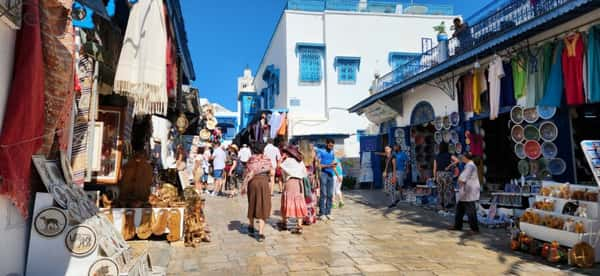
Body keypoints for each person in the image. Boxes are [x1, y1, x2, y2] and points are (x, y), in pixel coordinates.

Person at [241, 143, 274, 242]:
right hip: (263, 182)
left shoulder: (251, 160)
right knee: (263, 204)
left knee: (252, 203)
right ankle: (260, 233)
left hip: (253, 182)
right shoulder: (267, 159)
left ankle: (251, 225)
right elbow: (272, 172)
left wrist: (244, 185)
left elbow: (247, 173)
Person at [279, 145, 308, 234]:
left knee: (286, 201)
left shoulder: (288, 161)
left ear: (288, 153)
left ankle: (285, 223)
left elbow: (279, 166)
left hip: (290, 182)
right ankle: (299, 226)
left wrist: (281, 158)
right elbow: (304, 174)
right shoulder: (300, 162)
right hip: (299, 183)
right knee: (298, 202)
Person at [449, 153, 480, 234]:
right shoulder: (469, 165)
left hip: (469, 191)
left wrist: (459, 181)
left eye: (463, 157)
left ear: (466, 158)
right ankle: (457, 225)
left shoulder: (470, 166)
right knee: (460, 209)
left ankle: (474, 229)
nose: (462, 158)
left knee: (471, 211)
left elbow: (463, 178)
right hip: (466, 190)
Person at [316, 138, 340, 220]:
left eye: (332, 146)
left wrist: (337, 175)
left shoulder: (332, 153)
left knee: (330, 194)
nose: (331, 147)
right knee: (323, 193)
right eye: (330, 145)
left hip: (330, 174)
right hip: (323, 174)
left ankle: (328, 212)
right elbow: (318, 165)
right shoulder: (321, 152)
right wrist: (329, 166)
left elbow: (333, 165)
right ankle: (322, 213)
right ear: (326, 144)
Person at [434, 142, 459, 211]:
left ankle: (440, 206)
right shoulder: (449, 155)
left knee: (440, 190)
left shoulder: (437, 156)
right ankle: (447, 207)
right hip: (447, 174)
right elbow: (457, 160)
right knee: (448, 190)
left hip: (439, 174)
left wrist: (434, 177)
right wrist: (449, 166)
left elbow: (435, 168)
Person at [299, 140, 319, 225]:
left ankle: (304, 217)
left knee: (304, 198)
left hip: (303, 178)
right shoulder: (313, 154)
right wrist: (317, 178)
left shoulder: (300, 155)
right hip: (312, 178)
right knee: (312, 198)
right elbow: (317, 167)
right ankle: (311, 218)